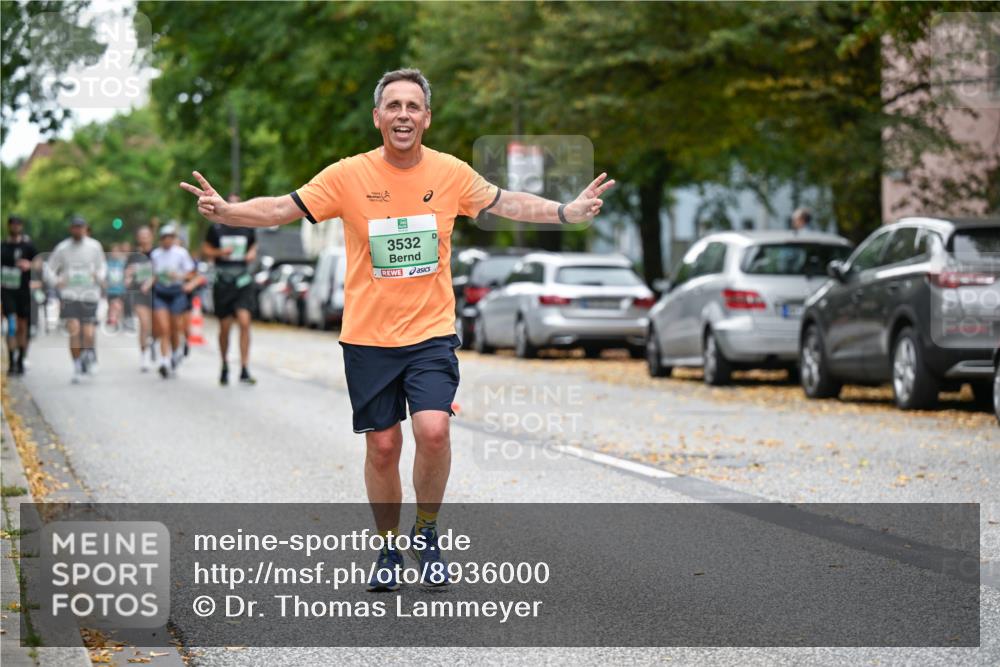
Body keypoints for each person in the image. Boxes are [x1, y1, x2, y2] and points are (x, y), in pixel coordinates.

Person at [180, 68, 613, 590]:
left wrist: (566, 211)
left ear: (426, 118)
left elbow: (506, 202)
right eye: (394, 106)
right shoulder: (347, 176)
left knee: (433, 429)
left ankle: (427, 533)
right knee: (382, 447)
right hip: (367, 338)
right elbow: (280, 209)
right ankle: (388, 547)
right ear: (378, 117)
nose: (403, 115)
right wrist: (228, 211)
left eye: (413, 106)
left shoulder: (451, 174)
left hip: (430, 334)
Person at [201, 194, 257, 386]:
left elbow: (253, 247)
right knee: (225, 327)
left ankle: (244, 368)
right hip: (223, 280)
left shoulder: (248, 227)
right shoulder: (216, 228)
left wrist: (251, 254)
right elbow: (205, 250)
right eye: (231, 203)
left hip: (242, 280)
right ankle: (224, 363)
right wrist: (219, 253)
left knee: (244, 322)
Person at [45, 216, 106, 383]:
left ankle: (89, 353)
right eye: (75, 227)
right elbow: (49, 268)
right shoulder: (62, 248)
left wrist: (99, 276)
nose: (78, 230)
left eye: (81, 227)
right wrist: (56, 282)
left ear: (86, 228)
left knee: (87, 332)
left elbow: (102, 267)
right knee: (74, 330)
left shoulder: (94, 246)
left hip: (89, 295)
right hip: (70, 295)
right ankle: (77, 365)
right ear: (70, 229)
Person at [150, 224, 199, 378]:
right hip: (161, 292)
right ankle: (164, 361)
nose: (167, 241)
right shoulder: (155, 254)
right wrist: (147, 284)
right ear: (161, 240)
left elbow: (191, 274)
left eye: (170, 238)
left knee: (175, 327)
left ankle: (176, 351)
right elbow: (153, 274)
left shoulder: (181, 253)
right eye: (165, 238)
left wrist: (178, 277)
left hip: (177, 292)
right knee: (164, 328)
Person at [1, 215, 38, 375]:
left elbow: (39, 262)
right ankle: (11, 361)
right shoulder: (3, 247)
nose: (15, 227)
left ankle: (20, 359)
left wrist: (29, 265)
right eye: (12, 224)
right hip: (7, 290)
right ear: (8, 226)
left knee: (22, 326)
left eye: (18, 224)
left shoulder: (28, 246)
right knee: (11, 324)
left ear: (21, 226)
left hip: (23, 291)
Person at [126, 227, 156, 371]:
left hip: (157, 293)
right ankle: (144, 355)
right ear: (138, 238)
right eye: (141, 235)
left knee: (156, 327)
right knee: (144, 324)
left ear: (151, 237)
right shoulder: (134, 256)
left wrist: (151, 280)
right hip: (139, 294)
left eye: (147, 235)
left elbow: (162, 270)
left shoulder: (157, 253)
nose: (144, 237)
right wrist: (128, 277)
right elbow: (127, 275)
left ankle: (153, 345)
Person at [105, 243, 128, 329]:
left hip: (120, 289)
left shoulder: (123, 263)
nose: (115, 253)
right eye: (113, 252)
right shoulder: (107, 264)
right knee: (111, 306)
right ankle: (111, 318)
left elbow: (126, 274)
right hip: (110, 290)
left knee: (118, 305)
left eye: (117, 252)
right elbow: (104, 276)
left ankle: (118, 321)